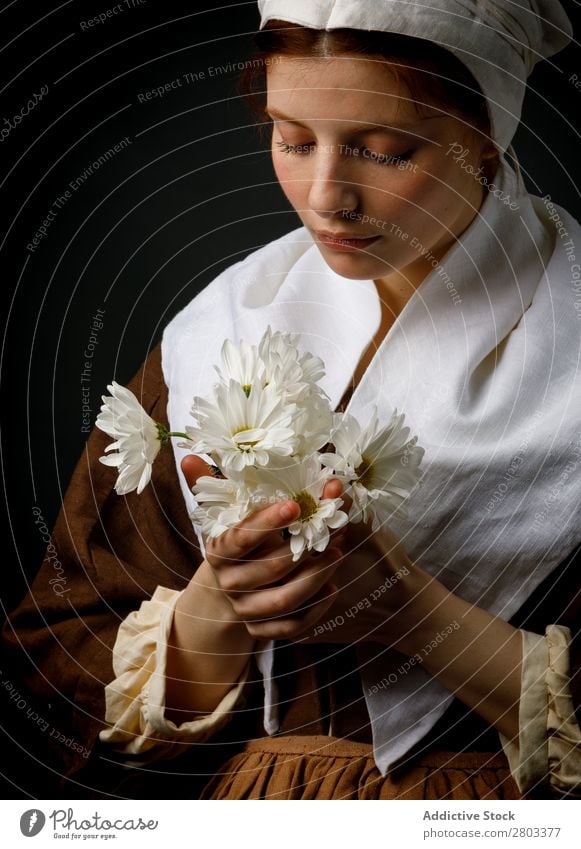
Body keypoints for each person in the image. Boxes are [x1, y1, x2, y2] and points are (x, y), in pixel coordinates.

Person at [3, 0, 581, 800]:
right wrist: (223, 599)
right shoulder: (220, 330)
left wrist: (408, 613)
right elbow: (55, 653)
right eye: (292, 139)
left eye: (383, 150)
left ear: (485, 135)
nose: (325, 197)